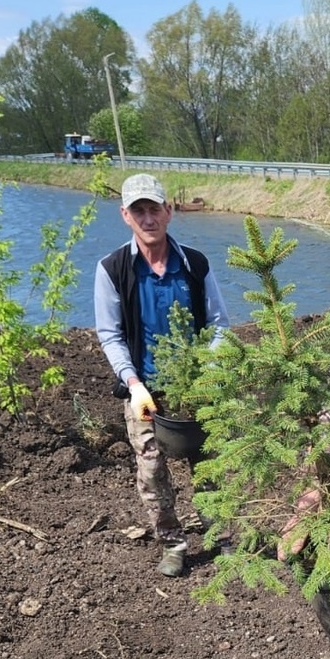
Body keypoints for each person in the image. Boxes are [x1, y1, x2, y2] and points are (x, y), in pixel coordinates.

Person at [94, 173, 229, 577]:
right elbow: (110, 333)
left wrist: (206, 370)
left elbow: (219, 323)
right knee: (152, 471)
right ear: (125, 216)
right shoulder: (113, 269)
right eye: (139, 211)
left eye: (155, 209)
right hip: (144, 391)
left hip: (196, 387)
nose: (148, 218)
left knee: (209, 465)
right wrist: (132, 383)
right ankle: (173, 543)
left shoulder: (195, 264)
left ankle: (222, 538)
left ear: (169, 212)